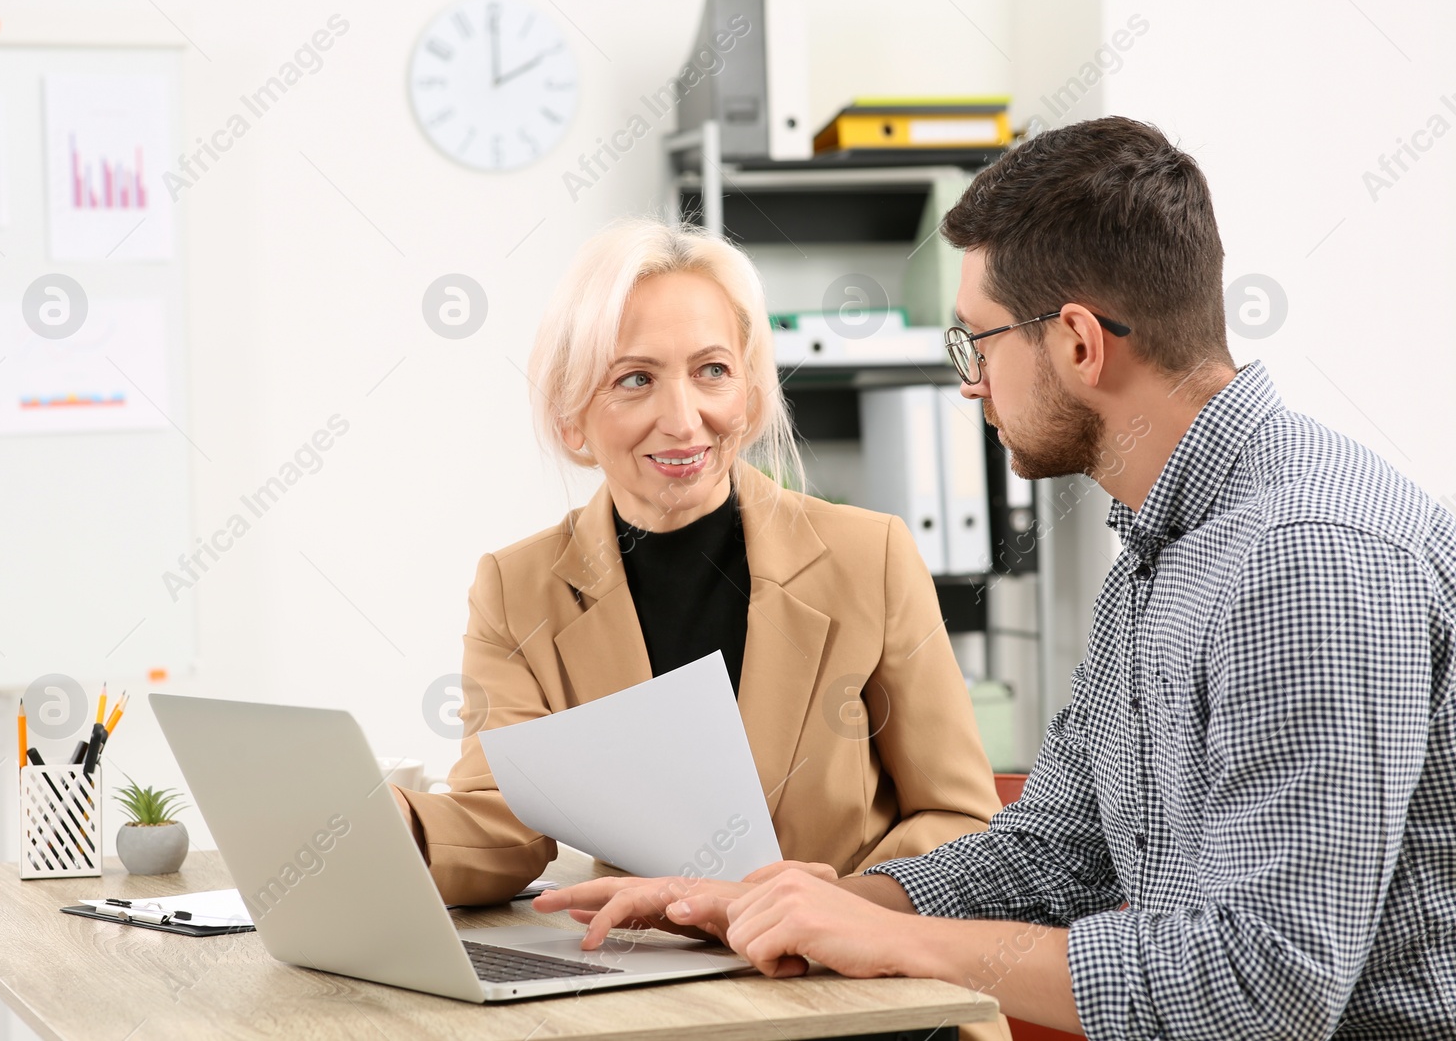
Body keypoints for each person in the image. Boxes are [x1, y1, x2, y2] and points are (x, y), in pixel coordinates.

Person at [539, 118, 1456, 1040]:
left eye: (977, 340)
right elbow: (1056, 849)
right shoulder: (1162, 543)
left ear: (1079, 344)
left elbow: (1263, 988)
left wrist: (906, 943)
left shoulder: (1310, 559)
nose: (970, 385)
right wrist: (788, 902)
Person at [390, 218, 1002, 942]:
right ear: (570, 414)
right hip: (663, 990)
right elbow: (505, 822)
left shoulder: (871, 557)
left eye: (712, 370)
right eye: (635, 379)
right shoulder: (516, 588)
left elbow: (963, 821)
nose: (684, 420)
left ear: (748, 388)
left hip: (854, 978)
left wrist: (836, 901)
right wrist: (394, 824)